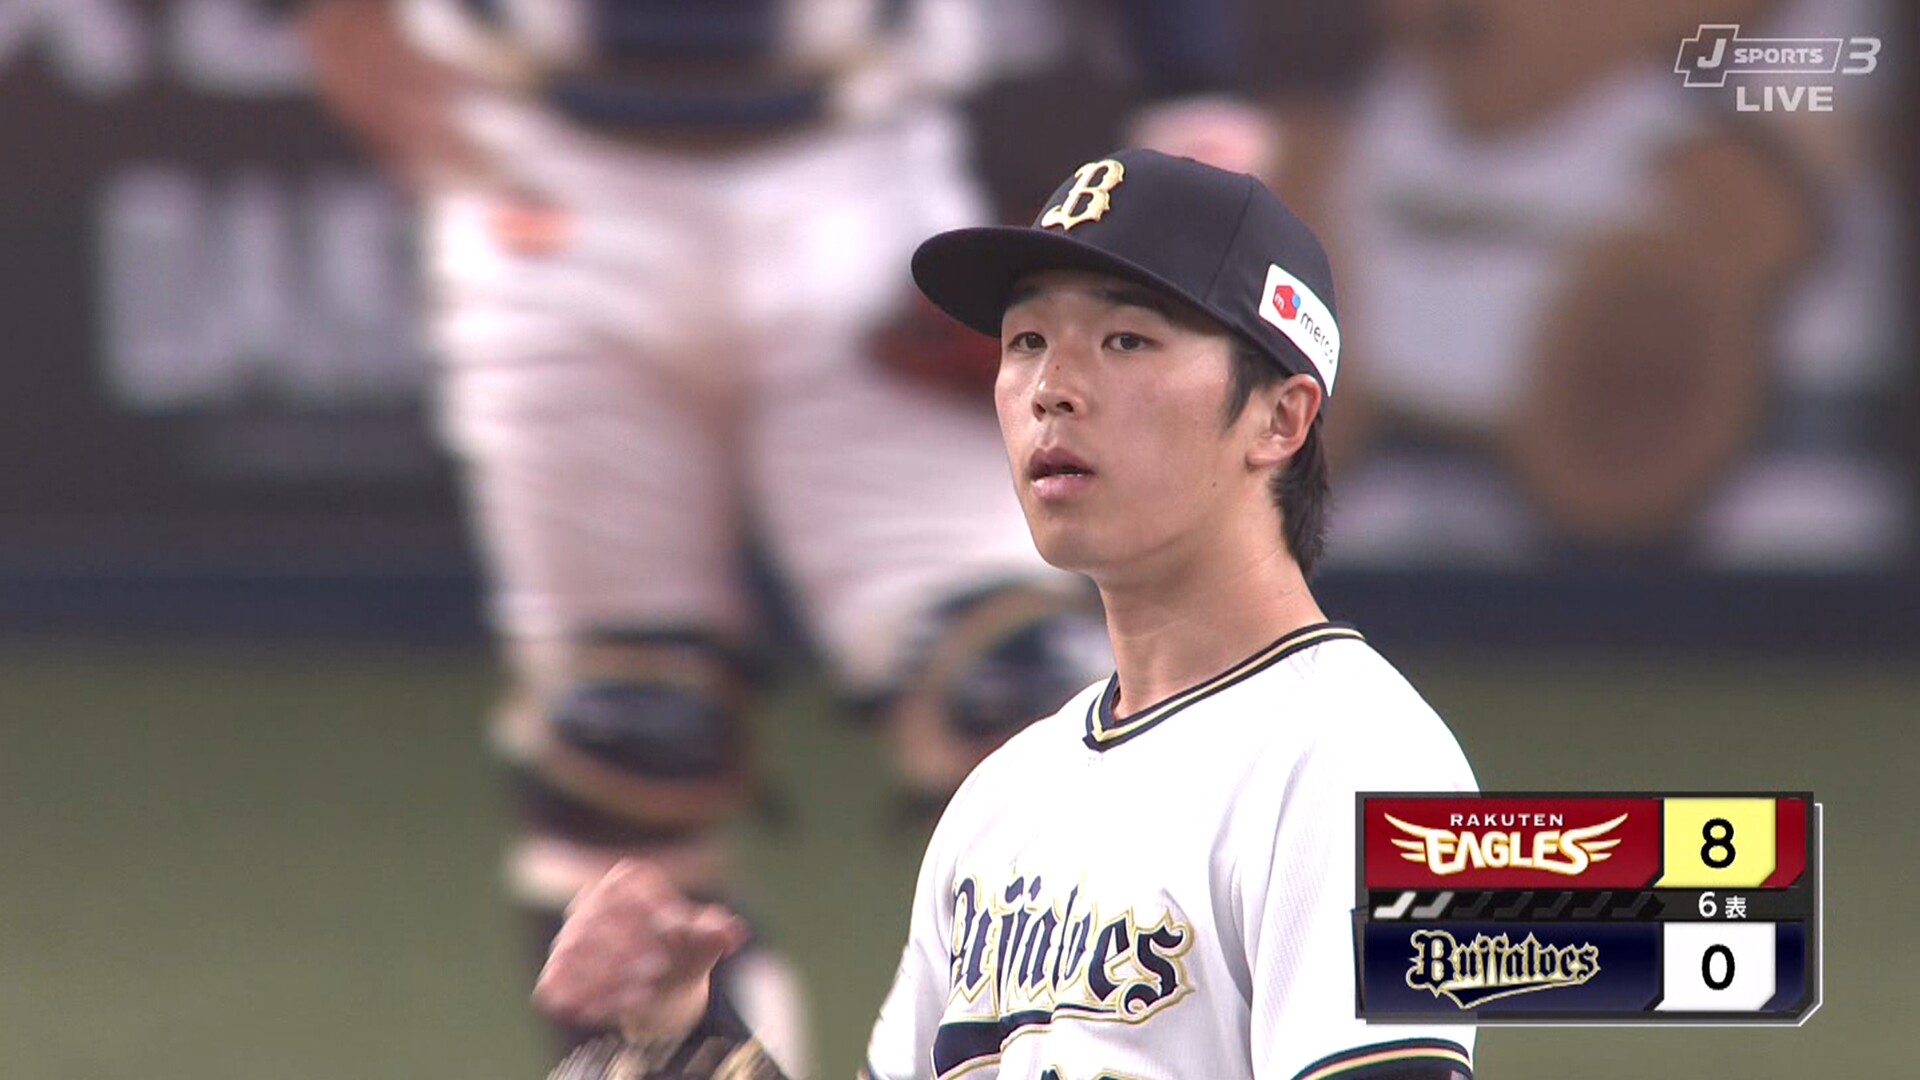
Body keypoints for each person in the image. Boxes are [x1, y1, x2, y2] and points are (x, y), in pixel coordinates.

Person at [294, 0, 1275, 1066]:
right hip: (547, 184)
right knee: (624, 739)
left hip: (858, 174)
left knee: (1019, 698)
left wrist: (1192, 81)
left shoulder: (1364, 750)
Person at [534, 149, 1481, 1080]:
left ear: (1282, 417)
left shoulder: (1385, 766)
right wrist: (685, 1039)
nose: (1051, 389)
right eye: (1026, 341)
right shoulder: (1002, 799)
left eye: (1126, 340)